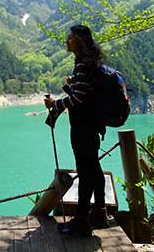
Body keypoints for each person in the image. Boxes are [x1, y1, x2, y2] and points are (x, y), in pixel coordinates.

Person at [44, 24, 109, 237]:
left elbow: (78, 99)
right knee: (94, 168)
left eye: (70, 37)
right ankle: (99, 211)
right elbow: (86, 93)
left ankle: (81, 221)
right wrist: (75, 84)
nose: (66, 40)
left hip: (83, 127)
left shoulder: (83, 64)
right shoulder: (90, 63)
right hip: (94, 125)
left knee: (85, 171)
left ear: (79, 41)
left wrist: (55, 104)